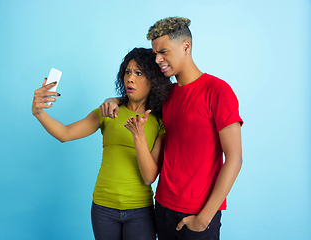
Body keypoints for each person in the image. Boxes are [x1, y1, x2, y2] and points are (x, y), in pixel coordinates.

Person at [100, 17, 243, 240]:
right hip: (162, 208)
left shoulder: (218, 91)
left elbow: (235, 159)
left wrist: (204, 218)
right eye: (156, 53)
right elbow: (136, 99)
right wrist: (112, 100)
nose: (157, 59)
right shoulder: (167, 96)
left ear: (186, 46)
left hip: (198, 213)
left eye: (163, 52)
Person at [31, 47, 171, 240]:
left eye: (139, 73)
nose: (130, 78)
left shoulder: (159, 122)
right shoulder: (108, 111)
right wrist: (39, 113)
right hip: (103, 209)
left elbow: (149, 178)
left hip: (140, 211)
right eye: (128, 72)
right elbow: (65, 133)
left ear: (153, 80)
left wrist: (138, 136)